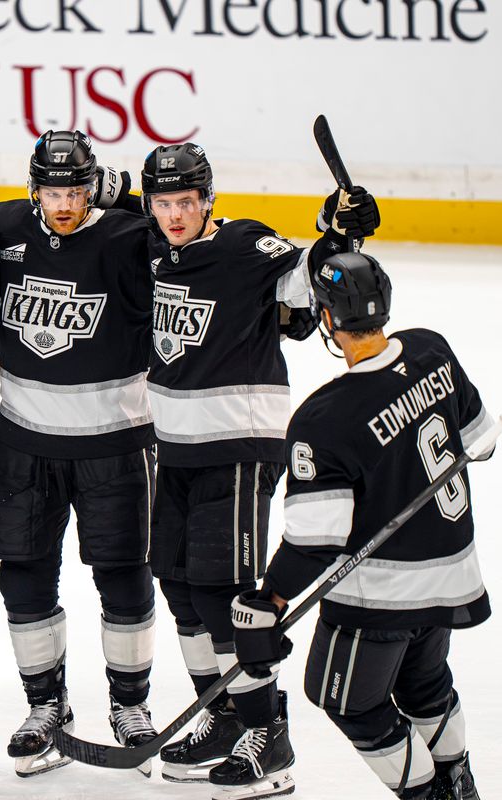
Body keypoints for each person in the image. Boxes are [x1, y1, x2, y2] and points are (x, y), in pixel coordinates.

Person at [140, 142, 381, 797]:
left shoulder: (247, 246)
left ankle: (266, 733)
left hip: (240, 447)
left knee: (228, 592)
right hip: (177, 449)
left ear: (208, 200)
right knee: (177, 583)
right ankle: (222, 718)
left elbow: (311, 271)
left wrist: (339, 228)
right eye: (164, 203)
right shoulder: (154, 248)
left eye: (186, 202)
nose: (176, 214)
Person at [231, 251, 494, 799]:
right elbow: (480, 440)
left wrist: (271, 600)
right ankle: (459, 785)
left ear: (327, 320)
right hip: (449, 573)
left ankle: (427, 795)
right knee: (425, 686)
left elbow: (313, 542)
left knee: (343, 698)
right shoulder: (432, 350)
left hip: (381, 593)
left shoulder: (325, 418)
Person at [0, 130, 158, 777]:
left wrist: (125, 192)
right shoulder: (3, 228)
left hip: (114, 441)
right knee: (23, 575)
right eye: (53, 191)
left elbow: (184, 231)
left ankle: (130, 706)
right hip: (25, 443)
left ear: (94, 188)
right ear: (34, 190)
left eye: (77, 191)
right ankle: (46, 706)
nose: (64, 203)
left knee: (122, 573)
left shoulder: (125, 234)